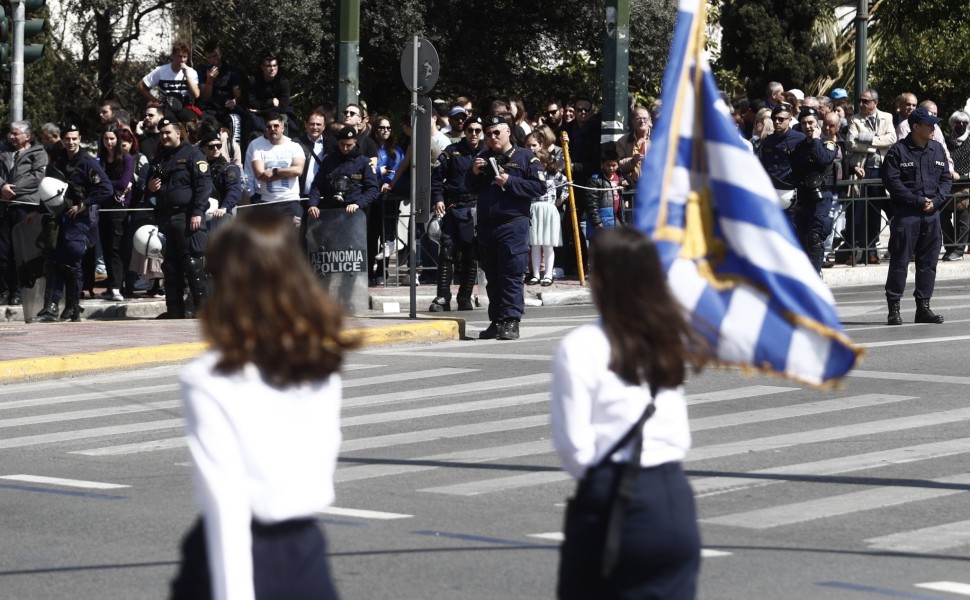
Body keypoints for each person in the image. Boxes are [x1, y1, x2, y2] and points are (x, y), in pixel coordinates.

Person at [170, 212, 357, 600]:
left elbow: (226, 505)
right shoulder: (321, 361)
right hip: (306, 550)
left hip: (234, 556)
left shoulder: (209, 378)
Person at [552, 227, 704, 600]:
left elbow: (575, 449)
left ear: (604, 280)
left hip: (615, 498)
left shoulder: (582, 346)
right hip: (673, 498)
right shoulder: (667, 336)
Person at [465, 114, 544, 341]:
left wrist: (509, 181)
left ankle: (511, 321)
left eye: (496, 132)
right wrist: (474, 172)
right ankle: (497, 320)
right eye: (488, 134)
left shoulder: (525, 157)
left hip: (512, 225)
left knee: (510, 275)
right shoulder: (483, 156)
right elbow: (468, 187)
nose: (492, 137)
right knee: (492, 276)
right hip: (487, 226)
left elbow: (539, 186)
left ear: (508, 131)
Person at [36, 124, 113, 322]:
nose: (71, 142)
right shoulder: (58, 161)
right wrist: (38, 211)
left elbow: (106, 188)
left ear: (80, 139)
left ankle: (72, 307)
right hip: (58, 218)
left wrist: (83, 205)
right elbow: (48, 189)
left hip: (79, 220)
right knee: (53, 261)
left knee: (72, 262)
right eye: (67, 139)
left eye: (74, 139)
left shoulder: (88, 162)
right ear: (62, 139)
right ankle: (51, 307)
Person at [882, 107, 951, 326]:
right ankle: (894, 308)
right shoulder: (898, 152)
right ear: (915, 127)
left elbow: (946, 179)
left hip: (932, 215)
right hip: (907, 215)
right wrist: (918, 201)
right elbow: (893, 183)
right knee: (900, 261)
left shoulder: (937, 149)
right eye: (929, 124)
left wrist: (937, 201)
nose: (933, 127)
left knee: (928, 263)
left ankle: (923, 308)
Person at [146, 116, 212, 319]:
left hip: (186, 216)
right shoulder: (159, 158)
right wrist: (150, 189)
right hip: (166, 217)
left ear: (178, 133)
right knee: (170, 267)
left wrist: (197, 212)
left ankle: (203, 313)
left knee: (192, 264)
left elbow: (204, 185)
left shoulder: (193, 154)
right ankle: (175, 312)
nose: (164, 136)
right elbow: (149, 189)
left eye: (168, 132)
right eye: (162, 133)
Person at [429, 114, 484, 311]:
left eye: (478, 130)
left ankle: (465, 297)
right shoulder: (451, 152)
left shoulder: (488, 153)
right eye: (470, 130)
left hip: (476, 210)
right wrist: (438, 200)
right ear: (465, 132)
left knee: (471, 255)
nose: (474, 134)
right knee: (447, 252)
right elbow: (436, 179)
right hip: (454, 208)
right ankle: (442, 297)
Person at [844, 88, 896, 265]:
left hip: (882, 170)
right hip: (862, 169)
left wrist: (867, 139)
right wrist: (877, 142)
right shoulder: (854, 119)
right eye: (860, 100)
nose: (861, 104)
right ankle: (854, 250)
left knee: (875, 211)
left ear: (875, 103)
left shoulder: (887, 117)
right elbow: (851, 143)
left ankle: (871, 250)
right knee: (857, 211)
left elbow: (892, 138)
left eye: (866, 101)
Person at [0, 120, 48, 307]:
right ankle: (4, 290)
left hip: (24, 206)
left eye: (16, 133)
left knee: (21, 251)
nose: (12, 136)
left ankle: (19, 292)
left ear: (27, 136)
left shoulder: (39, 153)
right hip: (4, 207)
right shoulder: (3, 150)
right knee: (4, 252)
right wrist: (2, 187)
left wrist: (13, 189)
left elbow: (38, 177)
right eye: (10, 133)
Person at [790, 107, 837, 273]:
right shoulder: (799, 147)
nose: (808, 126)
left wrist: (816, 140)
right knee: (802, 239)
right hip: (804, 198)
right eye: (804, 123)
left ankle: (816, 275)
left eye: (811, 122)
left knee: (815, 237)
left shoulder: (827, 143)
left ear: (818, 124)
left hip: (821, 198)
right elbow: (795, 172)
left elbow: (824, 159)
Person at [244, 112, 306, 225]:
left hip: (290, 200)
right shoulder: (257, 146)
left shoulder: (294, 146)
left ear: (283, 127)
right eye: (269, 127)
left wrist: (274, 171)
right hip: (266, 201)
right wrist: (288, 172)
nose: (272, 129)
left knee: (291, 237)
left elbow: (298, 170)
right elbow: (260, 175)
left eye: (276, 126)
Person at [96, 126, 135, 302]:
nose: (109, 142)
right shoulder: (100, 160)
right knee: (105, 246)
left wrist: (104, 182)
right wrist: (106, 184)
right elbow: (95, 182)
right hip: (103, 206)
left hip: (119, 208)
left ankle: (117, 286)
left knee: (116, 247)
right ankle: (111, 285)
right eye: (106, 139)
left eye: (112, 139)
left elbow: (123, 182)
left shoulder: (127, 159)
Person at [308, 126, 379, 217]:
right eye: (342, 144)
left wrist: (358, 204)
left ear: (354, 142)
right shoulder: (329, 161)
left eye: (349, 145)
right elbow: (317, 185)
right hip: (330, 211)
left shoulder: (364, 162)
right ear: (338, 142)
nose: (345, 148)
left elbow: (373, 188)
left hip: (354, 213)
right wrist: (313, 204)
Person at [528, 149, 566, 286]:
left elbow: (566, 185)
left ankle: (548, 274)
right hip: (534, 208)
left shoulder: (554, 175)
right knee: (535, 244)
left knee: (548, 244)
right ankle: (536, 274)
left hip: (549, 209)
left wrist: (558, 201)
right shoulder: (531, 175)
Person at [137, 41, 200, 111]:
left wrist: (187, 76)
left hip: (185, 108)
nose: (182, 60)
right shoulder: (161, 70)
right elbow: (140, 86)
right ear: (172, 56)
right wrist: (155, 101)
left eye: (184, 57)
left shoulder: (192, 72)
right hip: (166, 107)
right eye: (179, 56)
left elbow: (196, 95)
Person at [199, 130, 242, 232]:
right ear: (203, 148)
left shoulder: (229, 168)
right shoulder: (199, 167)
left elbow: (234, 190)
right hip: (202, 214)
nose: (215, 149)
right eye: (211, 146)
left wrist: (224, 208)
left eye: (218, 146)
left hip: (222, 214)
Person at [585, 149, 629, 243]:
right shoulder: (595, 180)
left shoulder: (619, 178)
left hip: (617, 218)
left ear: (618, 164)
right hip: (603, 220)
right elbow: (591, 202)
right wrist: (596, 221)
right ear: (602, 165)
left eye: (614, 165)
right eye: (608, 165)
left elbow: (631, 186)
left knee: (618, 245)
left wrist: (626, 184)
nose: (611, 168)